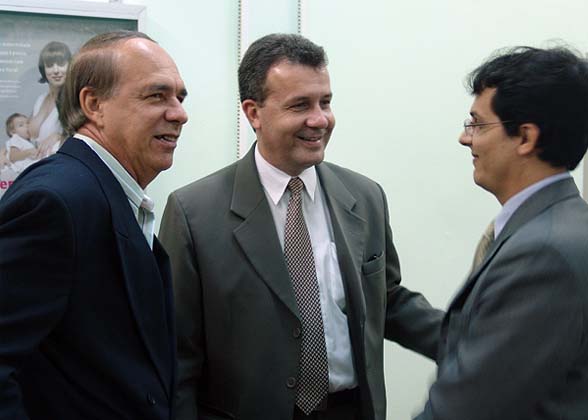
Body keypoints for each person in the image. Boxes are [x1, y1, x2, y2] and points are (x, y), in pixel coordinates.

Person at [159, 33, 442, 420]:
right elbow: (179, 355)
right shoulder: (194, 213)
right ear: (253, 113)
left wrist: (466, 339)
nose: (320, 120)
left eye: (325, 102)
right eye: (300, 105)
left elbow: (386, 299)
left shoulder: (365, 196)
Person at [0, 30, 188, 420]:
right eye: (157, 95)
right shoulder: (56, 201)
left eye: (179, 98)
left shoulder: (106, 193)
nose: (179, 114)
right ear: (94, 104)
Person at [414, 46, 588, 420]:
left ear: (525, 138)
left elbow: (466, 406)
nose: (465, 138)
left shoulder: (544, 253)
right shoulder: (556, 226)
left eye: (478, 124)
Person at [29, 41, 72, 158]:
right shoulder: (40, 99)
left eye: (61, 64)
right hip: (34, 160)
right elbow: (26, 135)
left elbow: (81, 139)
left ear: (69, 66)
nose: (56, 70)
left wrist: (60, 136)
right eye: (50, 65)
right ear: (44, 70)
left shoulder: (73, 99)